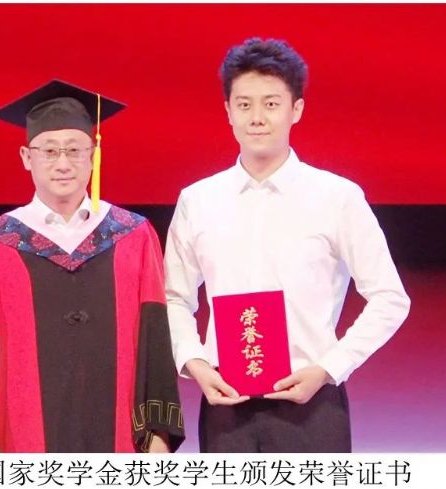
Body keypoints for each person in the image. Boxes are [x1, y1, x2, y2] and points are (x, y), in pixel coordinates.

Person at [164, 38, 411, 452]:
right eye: (244, 105)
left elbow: (390, 298)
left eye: (271, 104)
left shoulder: (337, 197)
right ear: (227, 111)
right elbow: (174, 297)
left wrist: (329, 367)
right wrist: (195, 362)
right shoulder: (198, 200)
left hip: (312, 402)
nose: (257, 118)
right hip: (226, 402)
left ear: (296, 109)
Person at [0, 79, 184, 453]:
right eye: (49, 151)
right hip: (21, 446)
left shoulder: (133, 237)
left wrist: (157, 433)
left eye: (75, 150)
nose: (63, 164)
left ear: (93, 155)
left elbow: (155, 339)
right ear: (26, 157)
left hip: (118, 444)